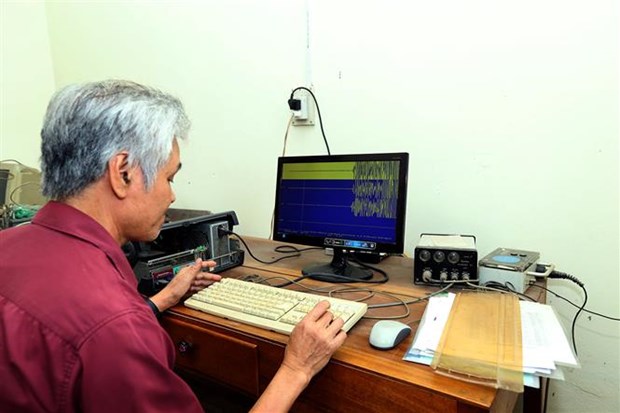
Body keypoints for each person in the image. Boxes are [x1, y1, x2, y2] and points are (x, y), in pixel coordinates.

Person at [0, 80, 347, 412]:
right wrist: (296, 369)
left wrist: (163, 299)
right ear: (123, 173)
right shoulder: (116, 326)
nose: (172, 194)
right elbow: (104, 330)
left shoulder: (8, 245)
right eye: (170, 177)